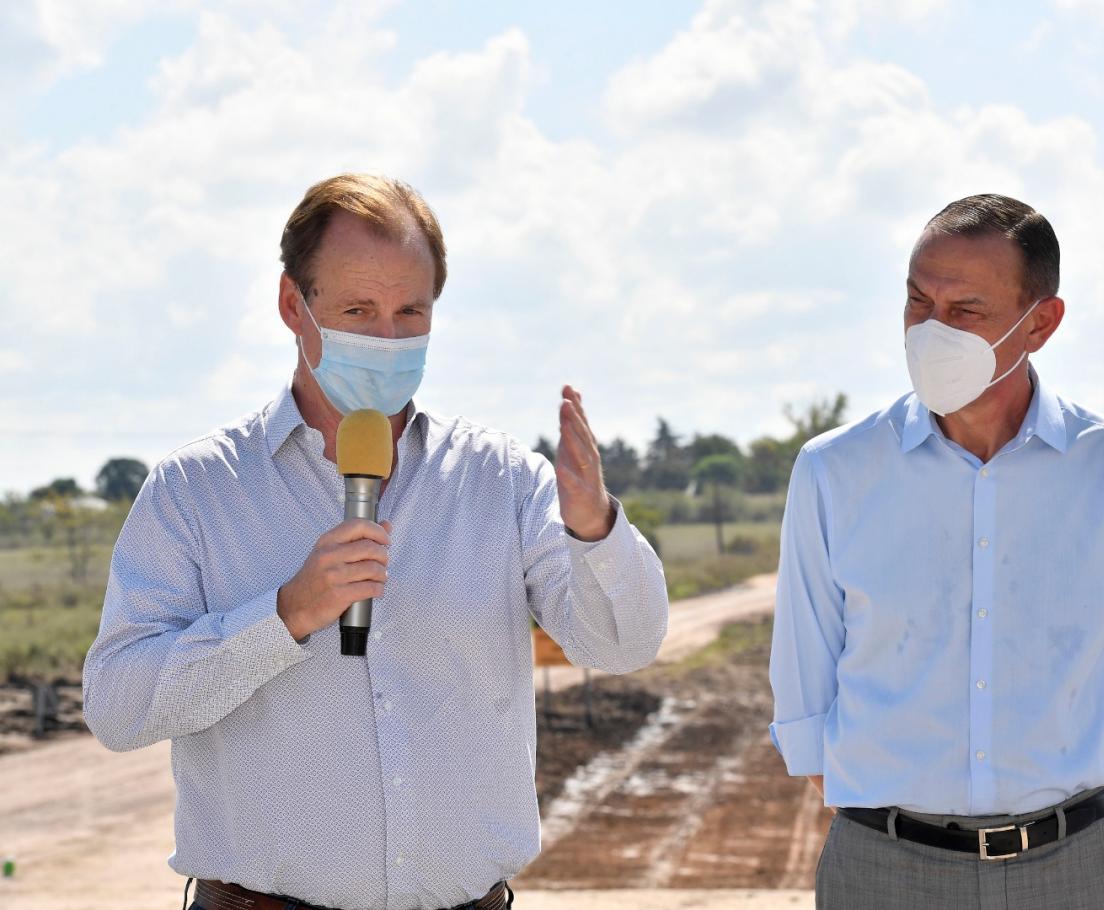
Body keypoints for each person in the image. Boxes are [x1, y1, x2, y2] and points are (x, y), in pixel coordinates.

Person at [82, 174, 669, 910]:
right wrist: (282, 616)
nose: (387, 339)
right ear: (294, 305)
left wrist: (595, 530)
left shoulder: (502, 480)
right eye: (358, 310)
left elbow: (623, 645)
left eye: (409, 311)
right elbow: (117, 706)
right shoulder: (195, 491)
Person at [768, 194, 1104, 909]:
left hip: (1073, 870)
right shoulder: (832, 470)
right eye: (916, 302)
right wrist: (895, 829)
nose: (931, 331)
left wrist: (1059, 834)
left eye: (965, 312)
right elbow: (804, 686)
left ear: (1040, 323)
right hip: (882, 870)